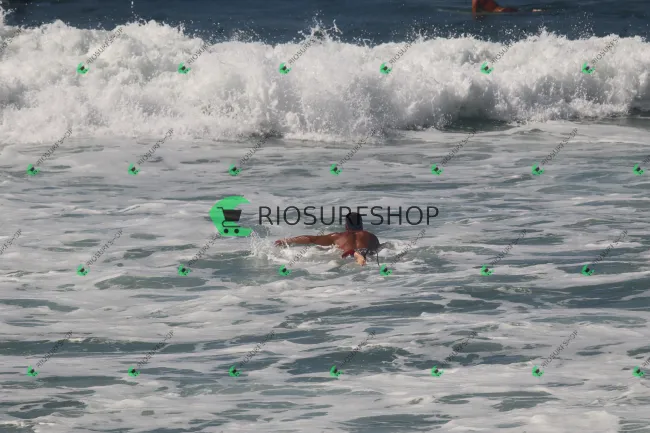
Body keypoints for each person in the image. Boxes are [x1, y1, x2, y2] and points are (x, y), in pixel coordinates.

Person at [274, 212, 380, 266]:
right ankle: (358, 256)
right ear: (361, 224)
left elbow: (311, 239)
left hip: (348, 256)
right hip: (364, 256)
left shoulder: (336, 237)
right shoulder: (371, 236)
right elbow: (377, 250)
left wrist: (289, 240)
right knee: (363, 255)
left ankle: (357, 255)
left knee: (352, 254)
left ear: (346, 225)